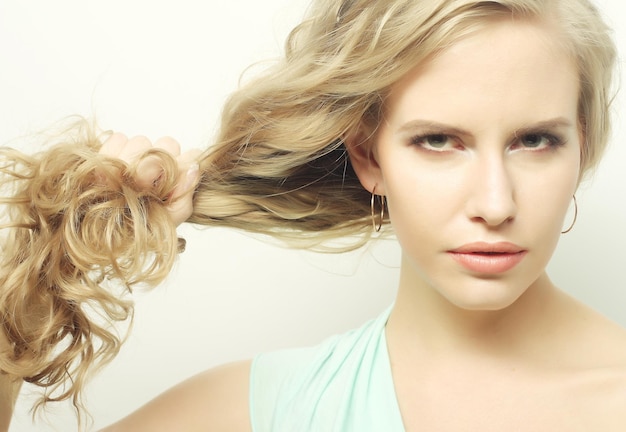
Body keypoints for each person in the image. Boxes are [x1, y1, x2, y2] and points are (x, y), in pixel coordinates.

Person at [1, 0, 625, 430]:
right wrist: (38, 264)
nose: (496, 203)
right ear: (367, 154)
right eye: (437, 140)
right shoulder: (265, 410)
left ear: (584, 142)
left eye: (535, 141)